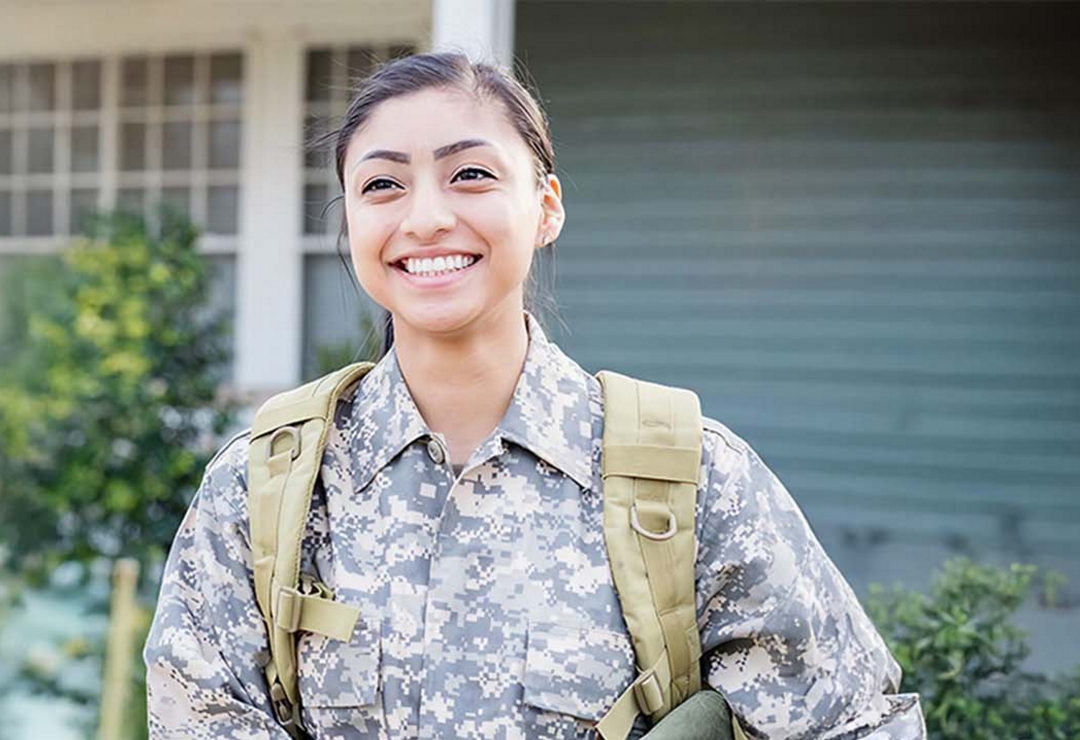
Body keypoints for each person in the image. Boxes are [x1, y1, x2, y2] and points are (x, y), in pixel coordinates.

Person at [143, 51, 926, 739]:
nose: (426, 217)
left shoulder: (686, 478)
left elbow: (855, 722)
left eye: (470, 174)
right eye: (381, 185)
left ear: (546, 206)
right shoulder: (267, 485)